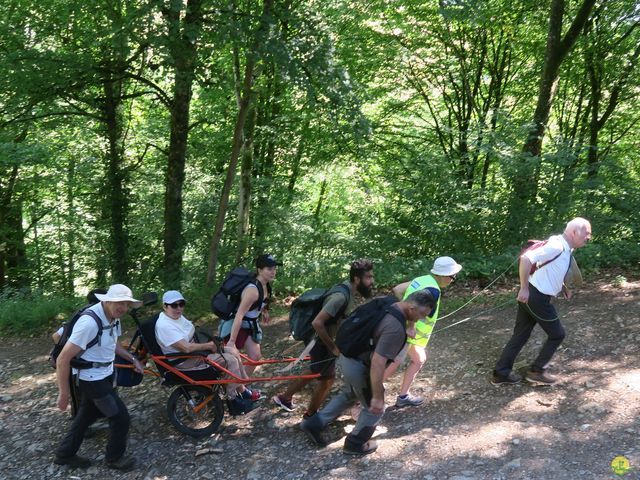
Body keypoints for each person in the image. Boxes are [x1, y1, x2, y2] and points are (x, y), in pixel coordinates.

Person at [299, 290, 436, 455]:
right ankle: (355, 444)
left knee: (350, 393)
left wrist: (410, 325)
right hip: (357, 366)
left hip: (346, 356)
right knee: (375, 409)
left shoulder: (388, 301)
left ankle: (312, 424)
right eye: (421, 314)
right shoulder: (394, 328)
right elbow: (378, 363)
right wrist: (378, 397)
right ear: (412, 307)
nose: (421, 318)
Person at [54, 284, 145, 471]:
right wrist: (64, 394)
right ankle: (114, 458)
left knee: (87, 415)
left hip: (105, 375)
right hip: (91, 379)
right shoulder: (89, 323)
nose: (124, 308)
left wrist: (132, 359)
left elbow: (113, 344)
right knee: (120, 417)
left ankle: (64, 454)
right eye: (120, 303)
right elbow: (63, 359)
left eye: (127, 304)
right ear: (108, 300)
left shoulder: (114, 317)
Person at [492, 217, 592, 386]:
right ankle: (536, 372)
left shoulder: (565, 247)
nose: (588, 238)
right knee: (557, 334)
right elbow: (526, 259)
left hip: (534, 294)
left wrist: (563, 287)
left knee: (521, 335)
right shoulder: (557, 246)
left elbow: (550, 269)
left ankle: (501, 373)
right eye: (587, 235)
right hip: (536, 297)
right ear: (574, 232)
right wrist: (523, 288)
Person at [272, 259, 375, 416]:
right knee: (326, 380)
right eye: (368, 277)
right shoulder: (341, 296)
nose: (372, 281)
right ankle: (311, 415)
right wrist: (332, 347)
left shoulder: (347, 289)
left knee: (316, 370)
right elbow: (317, 323)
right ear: (356, 279)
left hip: (323, 339)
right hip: (320, 339)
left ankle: (285, 398)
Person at [154, 290, 259, 412]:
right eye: (174, 305)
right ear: (165, 306)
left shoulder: (176, 317)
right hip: (185, 361)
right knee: (230, 361)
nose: (178, 308)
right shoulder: (164, 325)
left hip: (195, 353)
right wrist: (208, 346)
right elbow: (186, 348)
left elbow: (192, 332)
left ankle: (243, 387)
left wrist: (210, 343)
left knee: (232, 351)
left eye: (181, 304)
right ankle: (233, 400)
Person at [384, 256, 462, 407]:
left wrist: (403, 306)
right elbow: (415, 307)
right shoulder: (432, 290)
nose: (453, 279)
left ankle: (403, 397)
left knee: (419, 359)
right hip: (408, 333)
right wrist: (411, 326)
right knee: (394, 363)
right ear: (442, 275)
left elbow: (398, 289)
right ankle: (365, 398)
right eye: (452, 276)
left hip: (409, 332)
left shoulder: (423, 279)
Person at [222, 253, 280, 377]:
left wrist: (264, 311)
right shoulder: (252, 290)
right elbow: (239, 315)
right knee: (233, 361)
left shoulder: (266, 286)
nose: (273, 272)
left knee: (255, 357)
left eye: (274, 269)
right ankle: (233, 388)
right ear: (259, 270)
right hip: (236, 326)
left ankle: (242, 386)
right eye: (269, 269)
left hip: (249, 326)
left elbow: (261, 302)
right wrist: (231, 342)